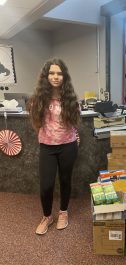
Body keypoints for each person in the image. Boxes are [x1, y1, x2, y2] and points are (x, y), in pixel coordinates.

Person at [27, 58, 80, 235]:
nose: (55, 76)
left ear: (64, 76)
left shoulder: (70, 98)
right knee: (46, 185)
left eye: (59, 73)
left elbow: (74, 122)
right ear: (46, 75)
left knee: (65, 180)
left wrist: (75, 137)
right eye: (52, 73)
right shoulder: (38, 98)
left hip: (68, 146)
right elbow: (36, 122)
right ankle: (47, 216)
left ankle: (63, 212)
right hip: (47, 147)